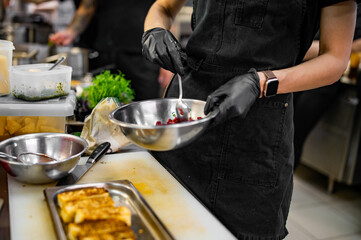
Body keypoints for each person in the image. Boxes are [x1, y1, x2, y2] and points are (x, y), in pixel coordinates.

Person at [141, 0, 358, 239]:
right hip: (188, 120)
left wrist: (261, 82)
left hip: (259, 131)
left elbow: (336, 60)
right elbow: (163, 7)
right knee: (167, 225)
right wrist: (154, 30)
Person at [49, 0, 161, 101]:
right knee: (99, 108)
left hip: (143, 54)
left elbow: (166, 9)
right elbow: (88, 4)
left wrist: (166, 56)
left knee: (147, 110)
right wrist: (71, 32)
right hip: (102, 51)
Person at [294, 4, 361, 171]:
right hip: (297, 68)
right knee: (285, 133)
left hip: (323, 80)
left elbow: (337, 54)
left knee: (294, 135)